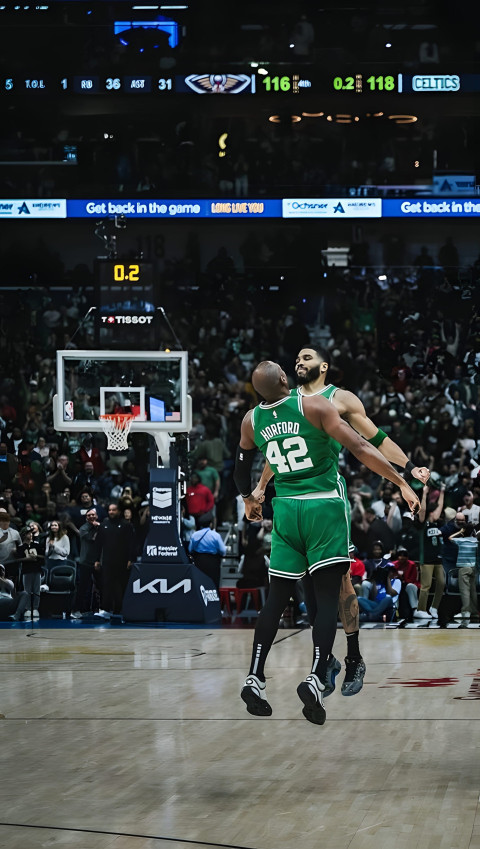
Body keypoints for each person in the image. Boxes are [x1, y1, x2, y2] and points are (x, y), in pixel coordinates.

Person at [235, 361, 420, 725]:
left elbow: (241, 468)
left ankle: (254, 678)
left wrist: (249, 498)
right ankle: (317, 677)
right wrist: (400, 481)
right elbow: (361, 447)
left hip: (285, 510)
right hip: (322, 507)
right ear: (285, 378)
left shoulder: (251, 420)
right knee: (325, 598)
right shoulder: (316, 405)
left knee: (276, 599)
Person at [94, 503, 136, 618]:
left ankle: (119, 610)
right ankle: (106, 609)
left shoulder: (126, 525)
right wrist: (97, 560)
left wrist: (130, 559)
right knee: (106, 585)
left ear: (118, 511)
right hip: (107, 561)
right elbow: (98, 544)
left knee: (120, 586)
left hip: (122, 561)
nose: (111, 512)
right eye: (109, 510)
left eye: (113, 510)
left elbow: (131, 543)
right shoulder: (104, 525)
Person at [415, 484, 445, 619]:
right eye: (435, 512)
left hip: (438, 559)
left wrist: (442, 492)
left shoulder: (437, 524)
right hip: (426, 559)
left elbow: (440, 506)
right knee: (426, 585)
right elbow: (422, 510)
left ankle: (434, 607)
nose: (438, 513)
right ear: (431, 513)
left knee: (442, 583)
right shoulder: (423, 524)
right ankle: (420, 609)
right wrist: (424, 494)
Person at [72, 507, 100, 618]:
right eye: (89, 515)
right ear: (86, 518)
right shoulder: (83, 528)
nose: (91, 516)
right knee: (83, 587)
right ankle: (75, 610)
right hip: (86, 562)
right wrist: (97, 528)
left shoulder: (101, 527)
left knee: (102, 586)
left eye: (93, 514)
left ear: (97, 516)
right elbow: (93, 538)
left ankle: (102, 609)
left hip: (98, 562)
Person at [448, 522, 479, 621]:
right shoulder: (475, 541)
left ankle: (465, 611)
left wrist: (459, 532)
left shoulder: (461, 541)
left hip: (463, 568)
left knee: (464, 591)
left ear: (463, 530)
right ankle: (474, 612)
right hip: (473, 568)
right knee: (473, 591)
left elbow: (450, 538)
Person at [189, 513, 226, 590]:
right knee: (213, 583)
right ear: (210, 524)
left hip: (199, 561)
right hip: (213, 562)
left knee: (200, 583)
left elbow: (190, 549)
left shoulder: (194, 535)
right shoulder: (215, 535)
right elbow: (223, 551)